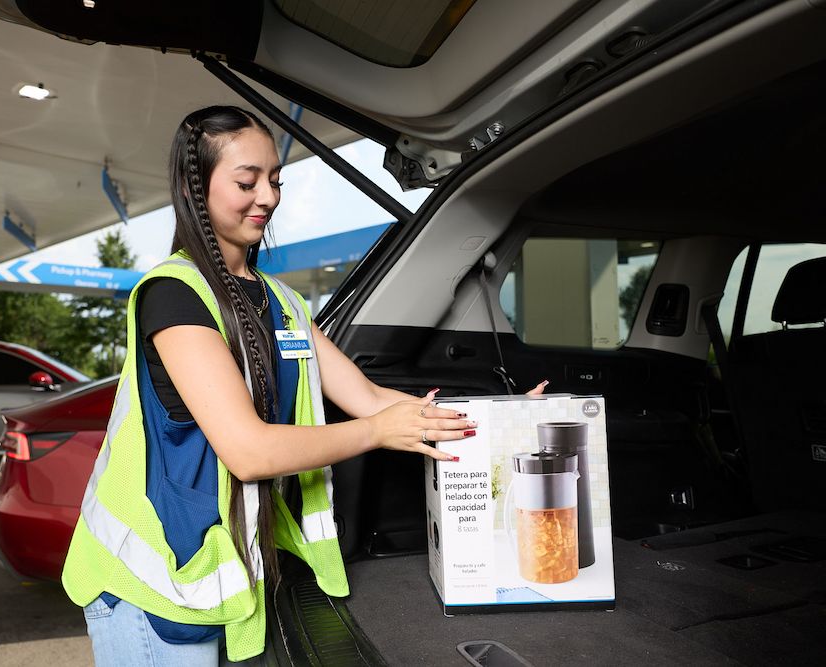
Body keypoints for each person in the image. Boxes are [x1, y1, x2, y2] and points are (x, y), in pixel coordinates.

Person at [62, 105, 547, 665]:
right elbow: (248, 451)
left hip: (226, 575)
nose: (267, 196)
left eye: (275, 180)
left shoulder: (285, 304)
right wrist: (375, 432)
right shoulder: (174, 294)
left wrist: (504, 417)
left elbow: (367, 397)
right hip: (148, 586)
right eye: (247, 181)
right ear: (196, 188)